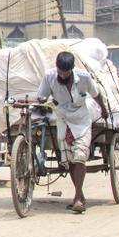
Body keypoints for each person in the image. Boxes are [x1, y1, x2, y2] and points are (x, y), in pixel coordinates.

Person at [36, 51, 103, 214]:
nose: (62, 75)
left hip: (82, 120)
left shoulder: (84, 77)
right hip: (63, 120)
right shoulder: (50, 77)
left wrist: (105, 110)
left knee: (80, 157)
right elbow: (42, 96)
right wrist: (41, 102)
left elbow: (96, 94)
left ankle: (78, 198)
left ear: (72, 69)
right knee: (69, 160)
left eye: (65, 73)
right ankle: (80, 195)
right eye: (60, 71)